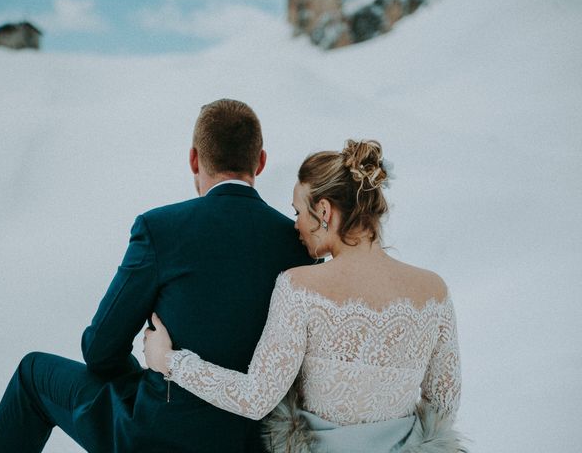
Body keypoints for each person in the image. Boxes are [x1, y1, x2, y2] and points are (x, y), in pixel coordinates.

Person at [0, 99, 314, 453]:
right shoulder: (299, 244)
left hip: (159, 435)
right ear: (260, 161)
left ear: (193, 159)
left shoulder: (160, 228)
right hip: (254, 442)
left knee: (33, 374)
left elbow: (99, 350)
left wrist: (157, 366)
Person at [144, 139, 467, 453]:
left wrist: (170, 361)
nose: (295, 225)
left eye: (298, 211)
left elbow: (256, 398)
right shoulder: (433, 290)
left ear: (324, 210)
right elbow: (443, 405)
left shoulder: (300, 286)